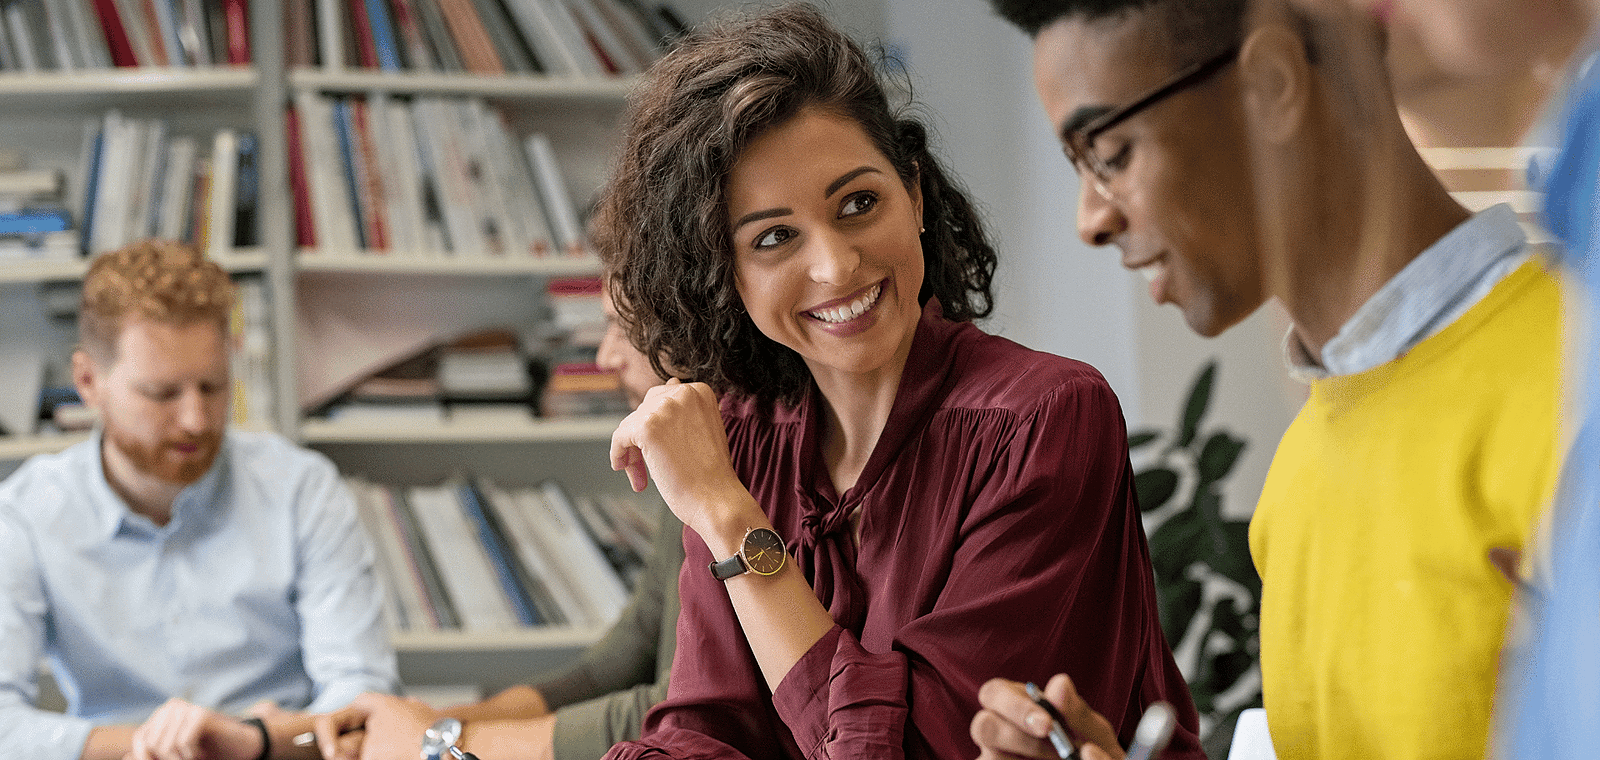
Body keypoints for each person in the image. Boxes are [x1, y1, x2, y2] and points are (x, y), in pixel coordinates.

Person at [320, 3, 1202, 759]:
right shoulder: (744, 436)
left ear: (917, 195)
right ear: (727, 274)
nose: (836, 265)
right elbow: (703, 730)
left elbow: (909, 748)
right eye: (775, 238)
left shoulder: (1046, 419)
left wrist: (729, 518)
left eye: (859, 202)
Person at [972, 1, 1565, 759]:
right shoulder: (1298, 479)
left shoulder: (1569, 378)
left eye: (1109, 153)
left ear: (1272, 83)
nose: (1089, 218)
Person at [0, 240, 398, 760]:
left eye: (212, 388)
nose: (196, 420)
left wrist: (254, 744)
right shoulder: (26, 514)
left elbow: (363, 698)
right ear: (88, 382)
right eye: (162, 394)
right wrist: (168, 746)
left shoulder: (301, 489)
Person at [316, 280, 684, 760]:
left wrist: (441, 743)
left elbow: (680, 712)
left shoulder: (739, 471)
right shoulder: (684, 466)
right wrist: (439, 723)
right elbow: (621, 658)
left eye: (623, 327)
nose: (604, 358)